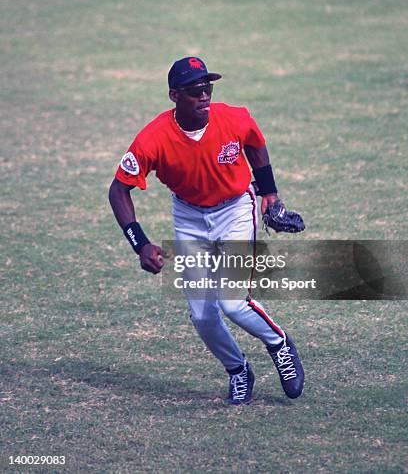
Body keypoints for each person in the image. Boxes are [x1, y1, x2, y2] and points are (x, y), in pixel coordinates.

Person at [109, 56, 304, 404]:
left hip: (236, 208)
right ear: (174, 96)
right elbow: (118, 190)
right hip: (189, 216)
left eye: (207, 87)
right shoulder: (152, 138)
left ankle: (279, 344)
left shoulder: (233, 117)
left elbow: (256, 145)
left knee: (231, 301)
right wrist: (139, 243)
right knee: (201, 312)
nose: (204, 96)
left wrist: (269, 193)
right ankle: (238, 369)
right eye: (194, 90)